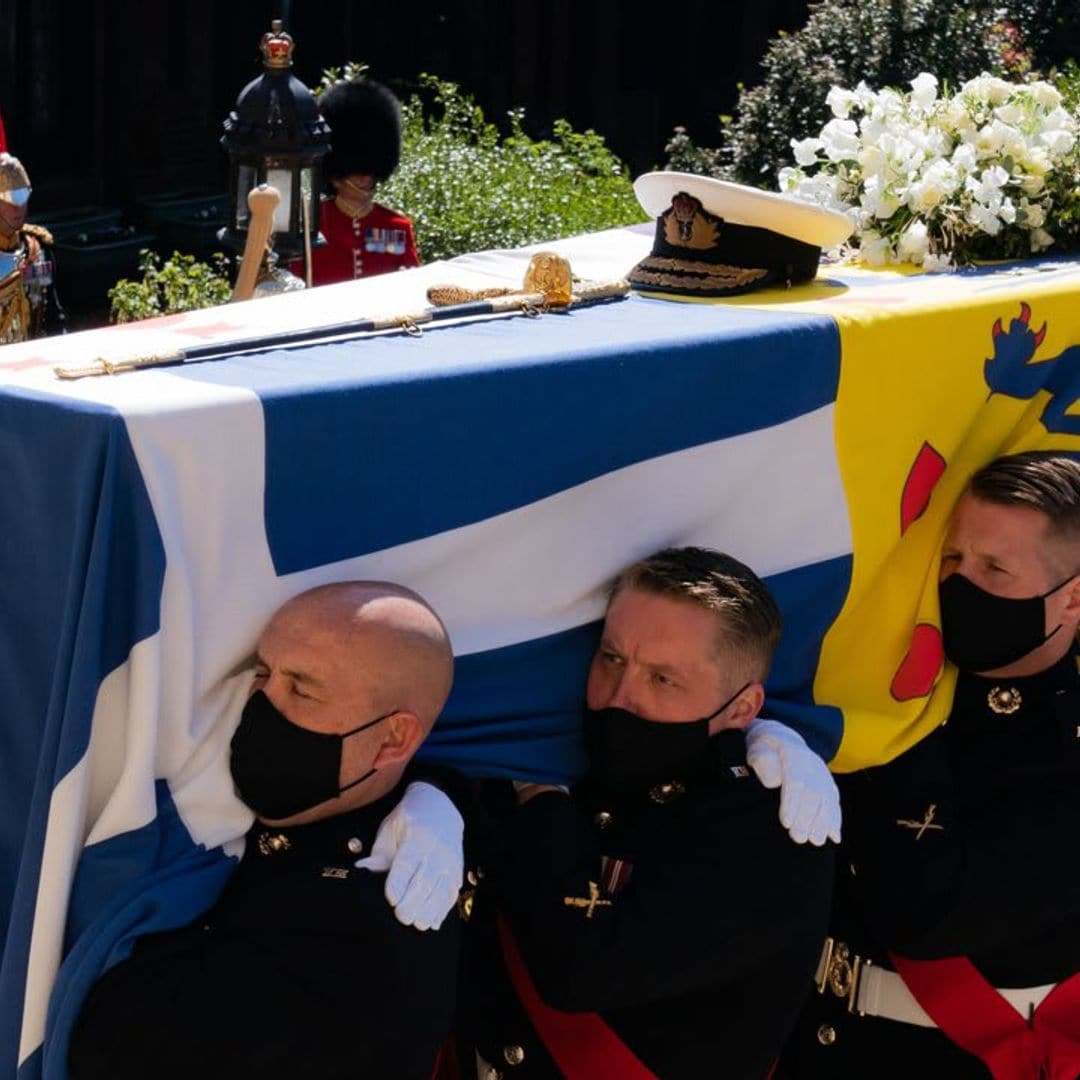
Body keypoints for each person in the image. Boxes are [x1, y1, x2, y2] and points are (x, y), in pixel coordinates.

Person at [461, 547, 837, 1079]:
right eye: (611, 658)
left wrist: (539, 793)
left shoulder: (770, 829)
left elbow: (582, 970)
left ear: (743, 708)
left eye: (663, 679)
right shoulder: (574, 760)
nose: (619, 696)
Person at [69, 581, 463, 1080]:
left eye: (301, 689)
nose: (259, 703)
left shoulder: (370, 936)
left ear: (393, 737)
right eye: (261, 673)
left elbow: (114, 1045)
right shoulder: (343, 808)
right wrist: (439, 792)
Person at [781, 451, 1080, 1079]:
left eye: (994, 569)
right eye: (952, 559)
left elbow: (930, 916)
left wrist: (895, 728)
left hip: (950, 1055)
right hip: (822, 1039)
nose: (959, 583)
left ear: (1073, 598)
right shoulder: (881, 677)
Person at [296, 75, 420, 286]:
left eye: (370, 170)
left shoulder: (396, 228)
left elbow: (412, 285)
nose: (366, 176)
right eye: (356, 170)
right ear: (335, 177)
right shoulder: (310, 225)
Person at [0, 138, 62, 343]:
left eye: (23, 201)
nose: (19, 209)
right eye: (10, 203)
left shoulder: (37, 247)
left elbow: (54, 316)